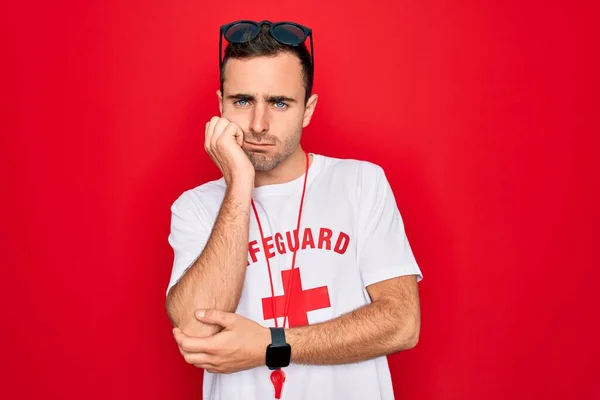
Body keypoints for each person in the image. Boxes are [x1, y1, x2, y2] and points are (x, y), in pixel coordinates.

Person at [165, 19, 423, 400]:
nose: (258, 124)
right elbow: (197, 332)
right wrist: (239, 182)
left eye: (280, 102)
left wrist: (271, 345)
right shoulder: (195, 207)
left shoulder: (360, 183)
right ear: (220, 105)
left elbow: (402, 324)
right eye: (242, 101)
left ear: (308, 109)